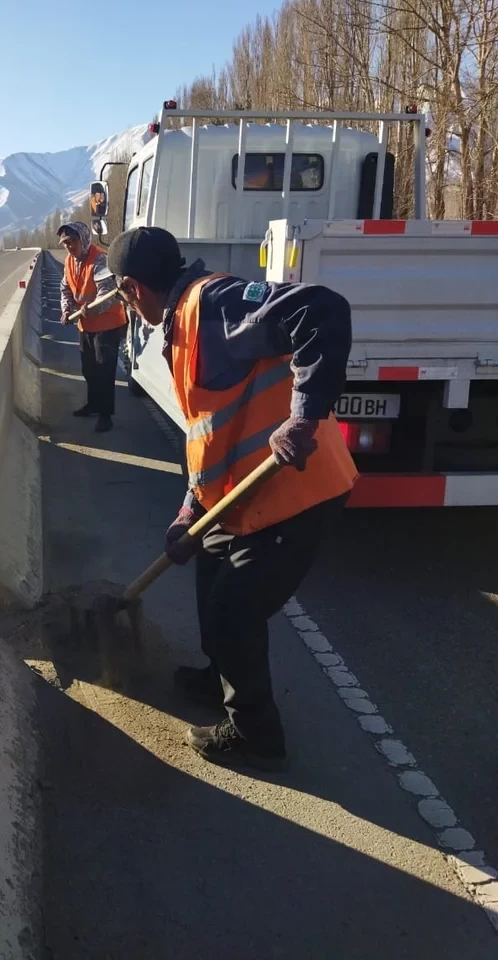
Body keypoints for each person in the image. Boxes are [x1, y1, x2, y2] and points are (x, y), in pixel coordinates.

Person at [106, 226, 358, 770]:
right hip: (242, 496)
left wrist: (303, 417)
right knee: (210, 573)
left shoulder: (214, 304)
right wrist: (189, 511)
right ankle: (219, 678)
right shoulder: (181, 323)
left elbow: (322, 309)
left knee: (232, 612)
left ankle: (256, 735)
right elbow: (210, 436)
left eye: (124, 295)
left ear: (132, 288)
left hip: (296, 489)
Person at [58, 221, 127, 433]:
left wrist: (91, 309)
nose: (69, 246)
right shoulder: (70, 261)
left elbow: (107, 293)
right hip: (85, 324)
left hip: (107, 324)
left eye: (73, 241)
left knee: (104, 369)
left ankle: (106, 415)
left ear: (84, 239)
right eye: (65, 243)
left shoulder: (99, 259)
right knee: (89, 369)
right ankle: (94, 404)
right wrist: (67, 310)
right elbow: (65, 288)